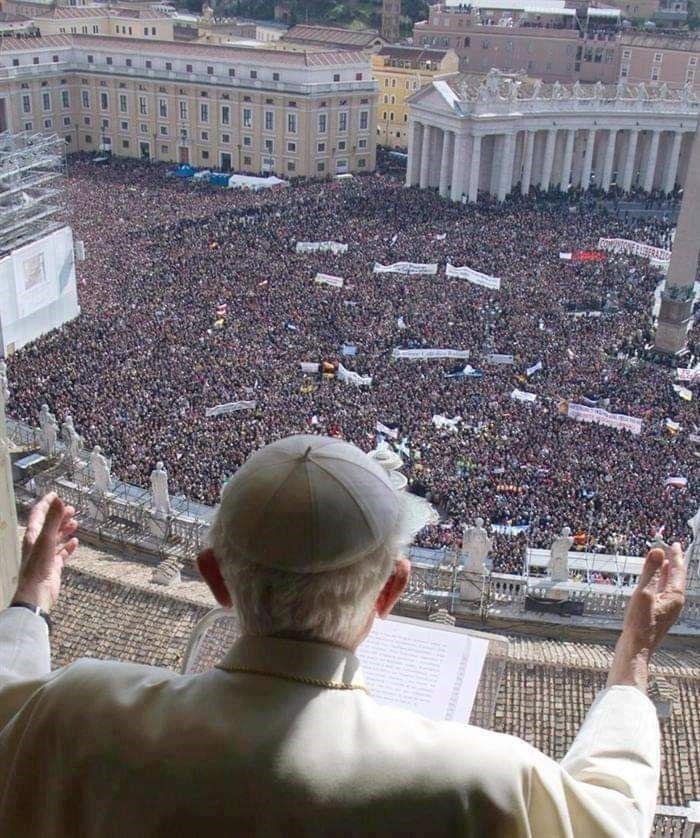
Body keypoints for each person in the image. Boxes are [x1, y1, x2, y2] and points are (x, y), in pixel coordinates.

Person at [0, 434, 687, 837]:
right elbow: (612, 816)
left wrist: (31, 599)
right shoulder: (481, 781)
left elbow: (8, 694)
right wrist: (631, 661)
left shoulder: (78, 711)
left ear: (214, 578)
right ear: (391, 590)